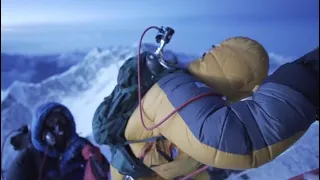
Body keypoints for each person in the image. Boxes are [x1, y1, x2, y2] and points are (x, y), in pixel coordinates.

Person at [6, 102, 109, 180]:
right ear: (41, 128)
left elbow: (107, 172)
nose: (58, 127)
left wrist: (96, 159)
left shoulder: (82, 146)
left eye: (61, 120)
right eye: (51, 122)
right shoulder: (28, 159)